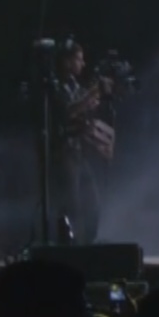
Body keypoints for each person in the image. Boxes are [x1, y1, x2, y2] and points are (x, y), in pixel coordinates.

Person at [53, 41, 108, 244]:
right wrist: (92, 94)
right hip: (64, 154)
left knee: (92, 203)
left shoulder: (75, 86)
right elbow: (68, 110)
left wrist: (95, 100)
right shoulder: (55, 86)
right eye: (79, 59)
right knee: (72, 205)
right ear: (67, 61)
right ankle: (72, 246)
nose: (83, 64)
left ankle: (87, 243)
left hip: (78, 153)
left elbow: (83, 108)